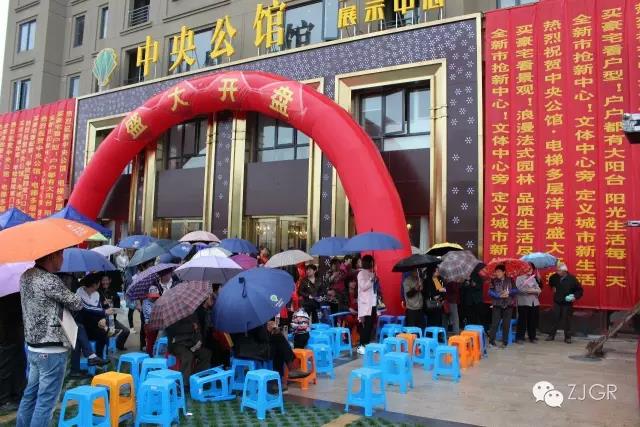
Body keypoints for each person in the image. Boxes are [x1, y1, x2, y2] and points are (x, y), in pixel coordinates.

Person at [17, 250, 83, 427]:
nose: (63, 259)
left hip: (33, 347)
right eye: (61, 255)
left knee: (30, 396)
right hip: (52, 349)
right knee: (46, 402)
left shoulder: (26, 276)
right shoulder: (49, 280)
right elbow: (77, 303)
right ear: (52, 256)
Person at [231, 322, 309, 392]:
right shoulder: (250, 319)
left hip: (241, 348)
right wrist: (269, 329)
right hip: (248, 350)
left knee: (278, 340)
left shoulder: (235, 319)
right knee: (278, 342)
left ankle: (277, 379)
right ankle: (282, 374)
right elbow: (262, 336)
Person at [166, 296, 214, 386]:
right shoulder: (173, 314)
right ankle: (184, 384)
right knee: (188, 356)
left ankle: (197, 378)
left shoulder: (193, 313)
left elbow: (198, 328)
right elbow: (173, 330)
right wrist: (191, 327)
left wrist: (199, 340)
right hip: (177, 344)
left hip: (191, 343)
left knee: (206, 353)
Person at [76, 274, 113, 359]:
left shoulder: (97, 293)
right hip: (82, 325)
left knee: (104, 333)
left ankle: (99, 357)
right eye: (99, 283)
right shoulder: (79, 293)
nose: (100, 285)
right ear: (94, 284)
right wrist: (104, 312)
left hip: (94, 324)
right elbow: (86, 308)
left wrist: (103, 319)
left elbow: (99, 307)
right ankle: (93, 357)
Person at [0, 292, 26, 412]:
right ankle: (4, 400)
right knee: (6, 367)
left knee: (19, 364)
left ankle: (17, 394)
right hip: (6, 334)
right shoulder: (6, 294)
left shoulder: (14, 291)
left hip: (16, 332)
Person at [546, 264, 583, 344]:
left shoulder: (572, 279)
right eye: (557, 270)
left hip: (567, 303)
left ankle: (567, 337)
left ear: (564, 271)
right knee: (554, 318)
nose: (557, 272)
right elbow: (551, 282)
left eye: (559, 271)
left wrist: (574, 296)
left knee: (567, 320)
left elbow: (579, 290)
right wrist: (553, 287)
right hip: (557, 301)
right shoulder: (554, 277)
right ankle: (551, 335)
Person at [488, 265, 518, 348]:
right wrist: (499, 295)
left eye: (499, 271)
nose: (497, 273)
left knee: (506, 324)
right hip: (497, 304)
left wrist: (509, 292)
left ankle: (505, 342)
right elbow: (490, 292)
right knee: (495, 323)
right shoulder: (493, 280)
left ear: (504, 272)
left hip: (508, 304)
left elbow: (516, 290)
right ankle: (491, 341)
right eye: (496, 272)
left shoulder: (510, 280)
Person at [99, 274, 130, 350]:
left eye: (106, 280)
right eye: (103, 280)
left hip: (112, 319)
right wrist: (103, 304)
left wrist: (113, 306)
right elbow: (96, 307)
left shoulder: (113, 292)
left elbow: (117, 306)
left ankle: (119, 345)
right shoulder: (98, 292)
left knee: (126, 331)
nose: (105, 282)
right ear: (100, 281)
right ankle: (104, 349)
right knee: (106, 332)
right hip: (101, 320)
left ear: (110, 281)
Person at [356, 255, 377, 355]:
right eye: (371, 262)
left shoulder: (371, 273)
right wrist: (371, 280)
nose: (372, 264)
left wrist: (375, 279)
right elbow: (363, 287)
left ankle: (367, 344)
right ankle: (361, 345)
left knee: (370, 325)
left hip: (372, 303)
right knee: (366, 326)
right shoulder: (361, 273)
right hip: (365, 304)